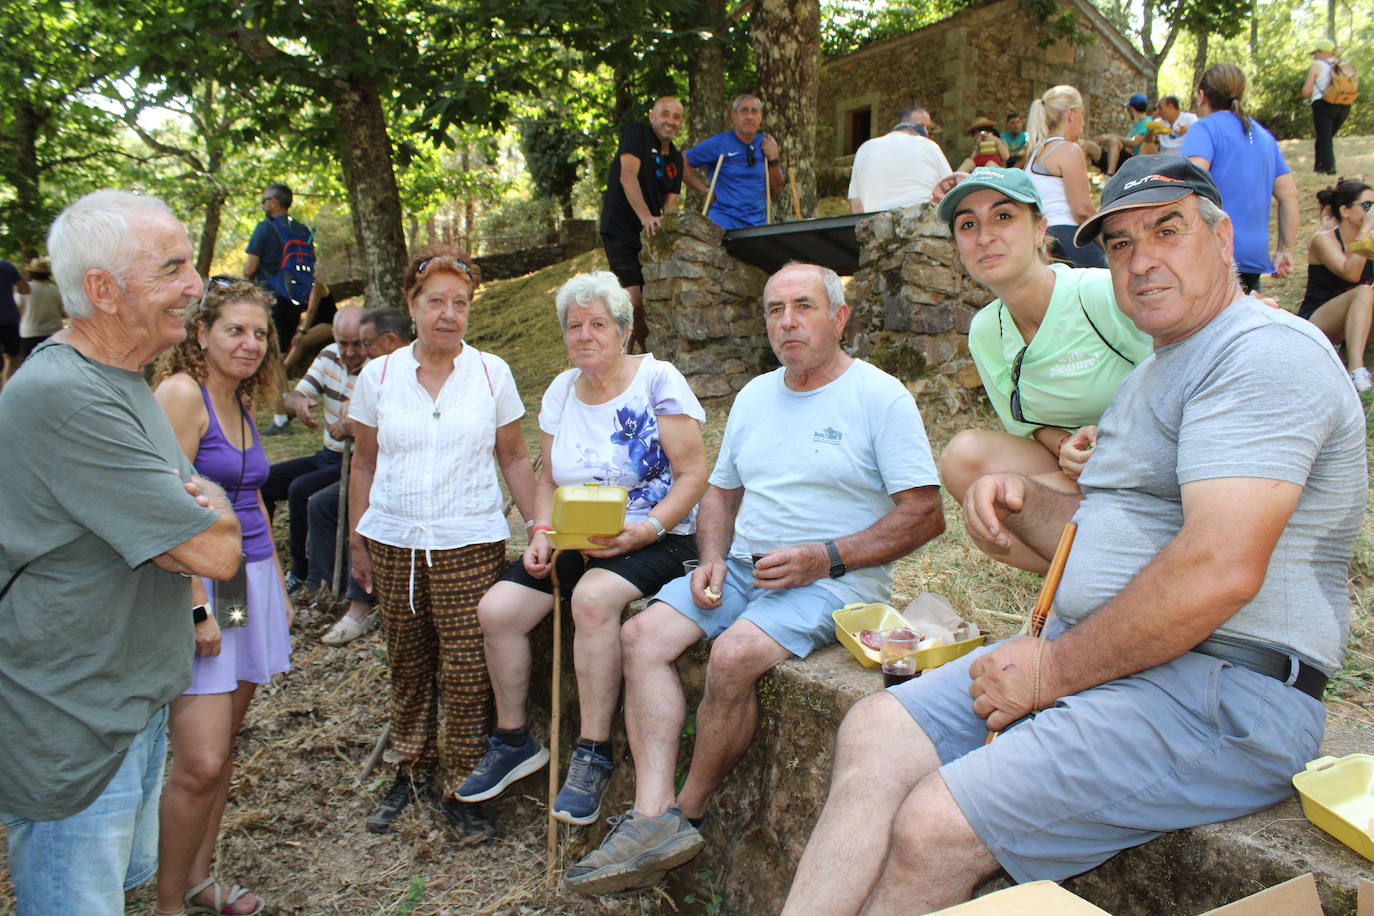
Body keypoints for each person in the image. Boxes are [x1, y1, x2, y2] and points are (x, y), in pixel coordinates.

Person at [784, 155, 1366, 915]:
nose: (1142, 258)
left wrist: (1051, 675)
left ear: (1223, 238)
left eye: (1167, 229)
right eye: (1119, 243)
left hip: (1224, 692)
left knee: (934, 825)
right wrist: (1025, 499)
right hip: (1123, 662)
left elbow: (1218, 566)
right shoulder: (1159, 369)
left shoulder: (1263, 353)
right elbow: (1117, 530)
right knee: (874, 730)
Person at [564, 261, 946, 895]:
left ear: (840, 317)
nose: (788, 322)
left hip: (837, 581)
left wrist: (827, 556)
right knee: (642, 639)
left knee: (734, 654)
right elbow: (718, 493)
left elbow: (926, 514)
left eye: (804, 306)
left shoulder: (880, 397)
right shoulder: (755, 396)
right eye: (775, 309)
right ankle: (650, 816)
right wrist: (711, 555)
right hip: (742, 568)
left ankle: (689, 810)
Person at [0, 189, 242, 914]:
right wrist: (216, 510)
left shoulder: (120, 379)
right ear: (103, 291)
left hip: (126, 702)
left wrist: (196, 519)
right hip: (71, 723)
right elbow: (209, 550)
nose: (195, 287)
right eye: (173, 269)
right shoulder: (68, 396)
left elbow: (184, 537)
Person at [454, 270, 708, 825]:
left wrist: (648, 529)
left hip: (659, 534)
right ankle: (515, 740)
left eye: (598, 324)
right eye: (574, 326)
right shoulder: (561, 390)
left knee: (592, 600)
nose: (585, 335)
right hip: (577, 534)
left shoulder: (658, 380)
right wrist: (541, 531)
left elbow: (694, 473)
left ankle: (593, 752)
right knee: (496, 610)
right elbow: (546, 478)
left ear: (622, 330)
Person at [348, 245, 537, 841]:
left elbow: (512, 455)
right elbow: (363, 464)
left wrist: (541, 527)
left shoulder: (492, 373)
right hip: (394, 540)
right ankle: (410, 769)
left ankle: (463, 783)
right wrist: (359, 539)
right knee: (407, 659)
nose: (448, 314)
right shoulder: (378, 375)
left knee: (465, 666)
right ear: (412, 305)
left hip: (468, 540)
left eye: (460, 303)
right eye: (436, 302)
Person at [150, 278, 294, 916]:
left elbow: (249, 493)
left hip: (246, 577)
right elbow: (164, 510)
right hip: (203, 579)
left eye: (260, 332)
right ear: (200, 333)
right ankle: (166, 903)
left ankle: (199, 879)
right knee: (200, 759)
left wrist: (278, 585)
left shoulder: (236, 400)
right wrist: (198, 607)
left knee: (226, 740)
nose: (250, 343)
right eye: (235, 329)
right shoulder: (181, 396)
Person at [932, 167, 1152, 573]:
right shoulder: (985, 330)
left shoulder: (1099, 294)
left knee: (1003, 506)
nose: (985, 237)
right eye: (968, 224)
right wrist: (1066, 447)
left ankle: (1118, 564)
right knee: (965, 464)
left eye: (1003, 216)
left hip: (1148, 464)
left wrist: (1114, 442)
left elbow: (1178, 375)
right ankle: (1078, 577)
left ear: (1039, 230)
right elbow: (1026, 425)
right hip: (1076, 471)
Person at [313, 306, 414, 646]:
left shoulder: (414, 370)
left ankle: (361, 604)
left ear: (390, 341)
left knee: (369, 507)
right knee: (322, 503)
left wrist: (351, 423)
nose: (364, 351)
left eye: (368, 343)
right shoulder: (380, 371)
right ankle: (330, 590)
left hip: (410, 478)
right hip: (378, 469)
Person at [261, 305, 367, 596]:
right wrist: (298, 402)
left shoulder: (377, 368)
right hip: (328, 454)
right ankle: (260, 560)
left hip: (356, 461)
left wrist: (351, 427)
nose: (348, 352)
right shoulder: (329, 355)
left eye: (357, 343)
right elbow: (293, 395)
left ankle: (304, 573)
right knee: (265, 481)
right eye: (343, 343)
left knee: (301, 489)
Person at [1183, 62, 1299, 294]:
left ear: (1202, 96)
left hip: (1213, 249)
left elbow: (1191, 180)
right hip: (1252, 255)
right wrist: (1286, 249)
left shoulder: (1204, 129)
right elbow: (1289, 196)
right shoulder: (1263, 137)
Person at [599, 97, 697, 354]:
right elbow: (627, 175)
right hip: (622, 228)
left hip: (651, 238)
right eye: (665, 114)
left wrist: (670, 234)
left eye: (677, 117)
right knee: (632, 301)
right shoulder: (637, 134)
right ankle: (622, 358)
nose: (671, 121)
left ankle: (645, 359)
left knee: (649, 303)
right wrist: (645, 216)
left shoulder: (675, 157)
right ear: (653, 116)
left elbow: (671, 205)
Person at [244, 182, 325, 434]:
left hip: (270, 298)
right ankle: (280, 412)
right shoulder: (301, 229)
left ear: (275, 202)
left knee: (272, 359)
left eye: (265, 200)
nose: (263, 204)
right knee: (276, 357)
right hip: (294, 300)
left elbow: (249, 268)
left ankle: (280, 418)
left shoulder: (264, 228)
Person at [1299, 178, 1374, 392]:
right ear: (1346, 210)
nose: (1372, 212)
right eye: (1367, 205)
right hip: (1318, 320)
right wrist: (1364, 234)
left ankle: (1355, 357)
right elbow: (1351, 273)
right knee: (1364, 293)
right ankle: (1356, 371)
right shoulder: (1324, 239)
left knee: (1366, 293)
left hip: (1353, 319)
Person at [1022, 85, 1106, 268]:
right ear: (1071, 114)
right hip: (1069, 239)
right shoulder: (1069, 150)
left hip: (1042, 242)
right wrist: (1107, 242)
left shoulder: (1033, 155)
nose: (1083, 123)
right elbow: (1082, 211)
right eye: (1082, 115)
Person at [685, 95, 787, 230]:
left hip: (758, 225)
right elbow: (682, 161)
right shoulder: (719, 143)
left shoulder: (765, 143)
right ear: (734, 116)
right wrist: (705, 192)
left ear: (760, 116)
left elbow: (777, 187)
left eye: (754, 111)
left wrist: (774, 159)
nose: (749, 117)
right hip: (724, 224)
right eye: (744, 111)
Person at [848, 106, 953, 213]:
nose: (927, 132)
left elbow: (855, 204)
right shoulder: (929, 146)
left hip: (875, 223)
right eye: (923, 126)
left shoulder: (865, 148)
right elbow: (951, 190)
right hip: (921, 219)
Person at [1302, 39, 1352, 175]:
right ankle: (1319, 167)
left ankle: (1330, 168)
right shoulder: (1343, 64)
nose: (1315, 55)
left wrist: (1305, 98)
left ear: (1322, 52)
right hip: (1344, 104)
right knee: (1325, 137)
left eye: (1316, 52)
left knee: (1324, 138)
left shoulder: (1317, 65)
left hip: (1323, 104)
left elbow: (1306, 90)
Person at [1085, 93, 1150, 176]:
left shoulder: (1147, 122)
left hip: (1131, 161)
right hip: (1119, 159)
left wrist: (1111, 136)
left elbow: (1134, 142)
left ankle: (1110, 175)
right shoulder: (1137, 124)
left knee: (1114, 140)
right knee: (1088, 145)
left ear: (1131, 108)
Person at [16, 256, 64, 359]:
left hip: (29, 332)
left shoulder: (23, 290)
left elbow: (17, 310)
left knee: (30, 364)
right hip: (54, 332)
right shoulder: (55, 290)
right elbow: (64, 312)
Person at [0, 256, 31, 388]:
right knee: (12, 358)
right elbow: (25, 289)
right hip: (8, 319)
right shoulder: (6, 266)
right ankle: (7, 392)